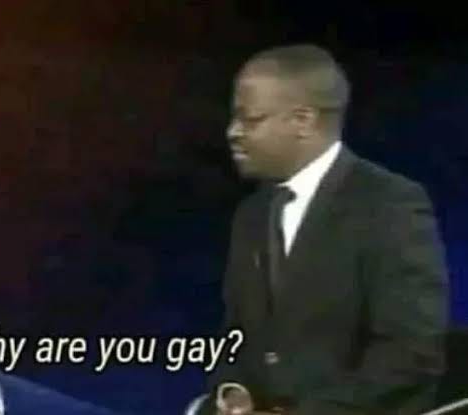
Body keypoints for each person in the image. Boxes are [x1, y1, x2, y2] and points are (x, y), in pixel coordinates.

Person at [190, 44, 448, 414]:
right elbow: (237, 336)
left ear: (303, 121)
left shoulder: (388, 204)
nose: (233, 132)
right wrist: (232, 392)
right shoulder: (252, 214)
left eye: (251, 119)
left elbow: (411, 354)